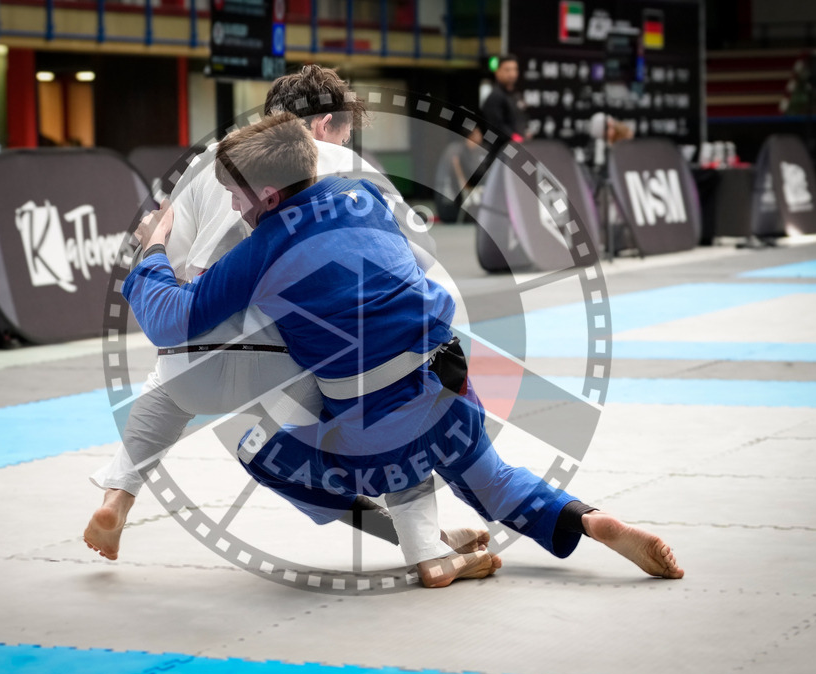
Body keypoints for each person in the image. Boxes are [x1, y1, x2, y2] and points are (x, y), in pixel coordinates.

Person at [125, 113, 684, 582]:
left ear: (267, 194)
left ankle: (424, 552)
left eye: (236, 196)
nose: (235, 210)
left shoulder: (262, 248)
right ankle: (588, 519)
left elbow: (173, 321)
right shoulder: (363, 194)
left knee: (255, 447)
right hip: (449, 378)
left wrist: (152, 250)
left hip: (373, 422)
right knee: (491, 478)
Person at [84, 65, 494, 587]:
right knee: (383, 393)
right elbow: (419, 251)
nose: (345, 143)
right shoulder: (340, 163)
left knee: (167, 383)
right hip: (280, 359)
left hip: (192, 358)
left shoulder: (210, 161)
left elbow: (169, 259)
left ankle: (116, 498)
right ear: (325, 126)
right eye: (345, 133)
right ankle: (425, 547)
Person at [433, 127, 486, 224]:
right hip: (447, 198)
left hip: (452, 194)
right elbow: (459, 173)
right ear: (469, 137)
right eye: (477, 134)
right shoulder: (457, 150)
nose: (481, 137)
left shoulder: (465, 149)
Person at [481, 55, 530, 143]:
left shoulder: (516, 95)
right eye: (507, 70)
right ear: (498, 72)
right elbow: (496, 126)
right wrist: (514, 137)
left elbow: (521, 118)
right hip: (500, 150)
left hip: (518, 148)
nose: (512, 74)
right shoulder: (495, 96)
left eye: (515, 69)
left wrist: (525, 132)